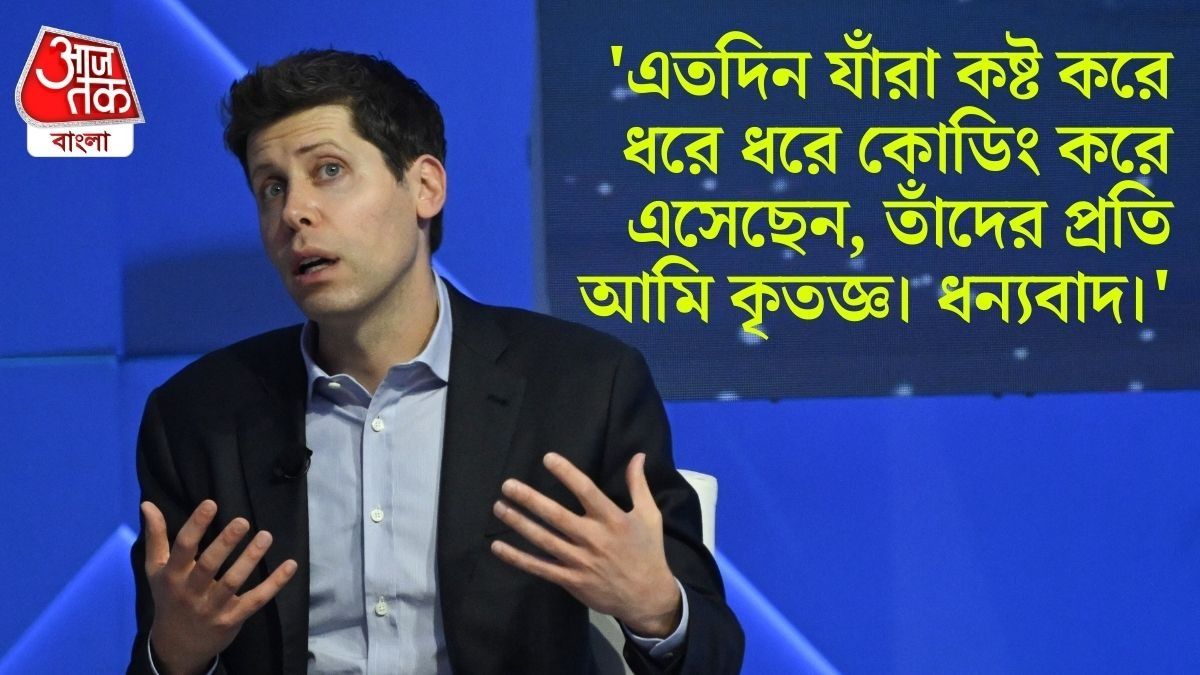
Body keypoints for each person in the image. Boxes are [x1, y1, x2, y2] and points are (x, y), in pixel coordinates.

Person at [127, 49, 743, 675]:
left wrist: (655, 610)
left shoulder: (584, 388)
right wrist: (175, 653)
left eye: (329, 170)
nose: (293, 213)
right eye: (271, 187)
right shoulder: (196, 418)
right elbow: (159, 654)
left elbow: (714, 653)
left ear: (425, 187)